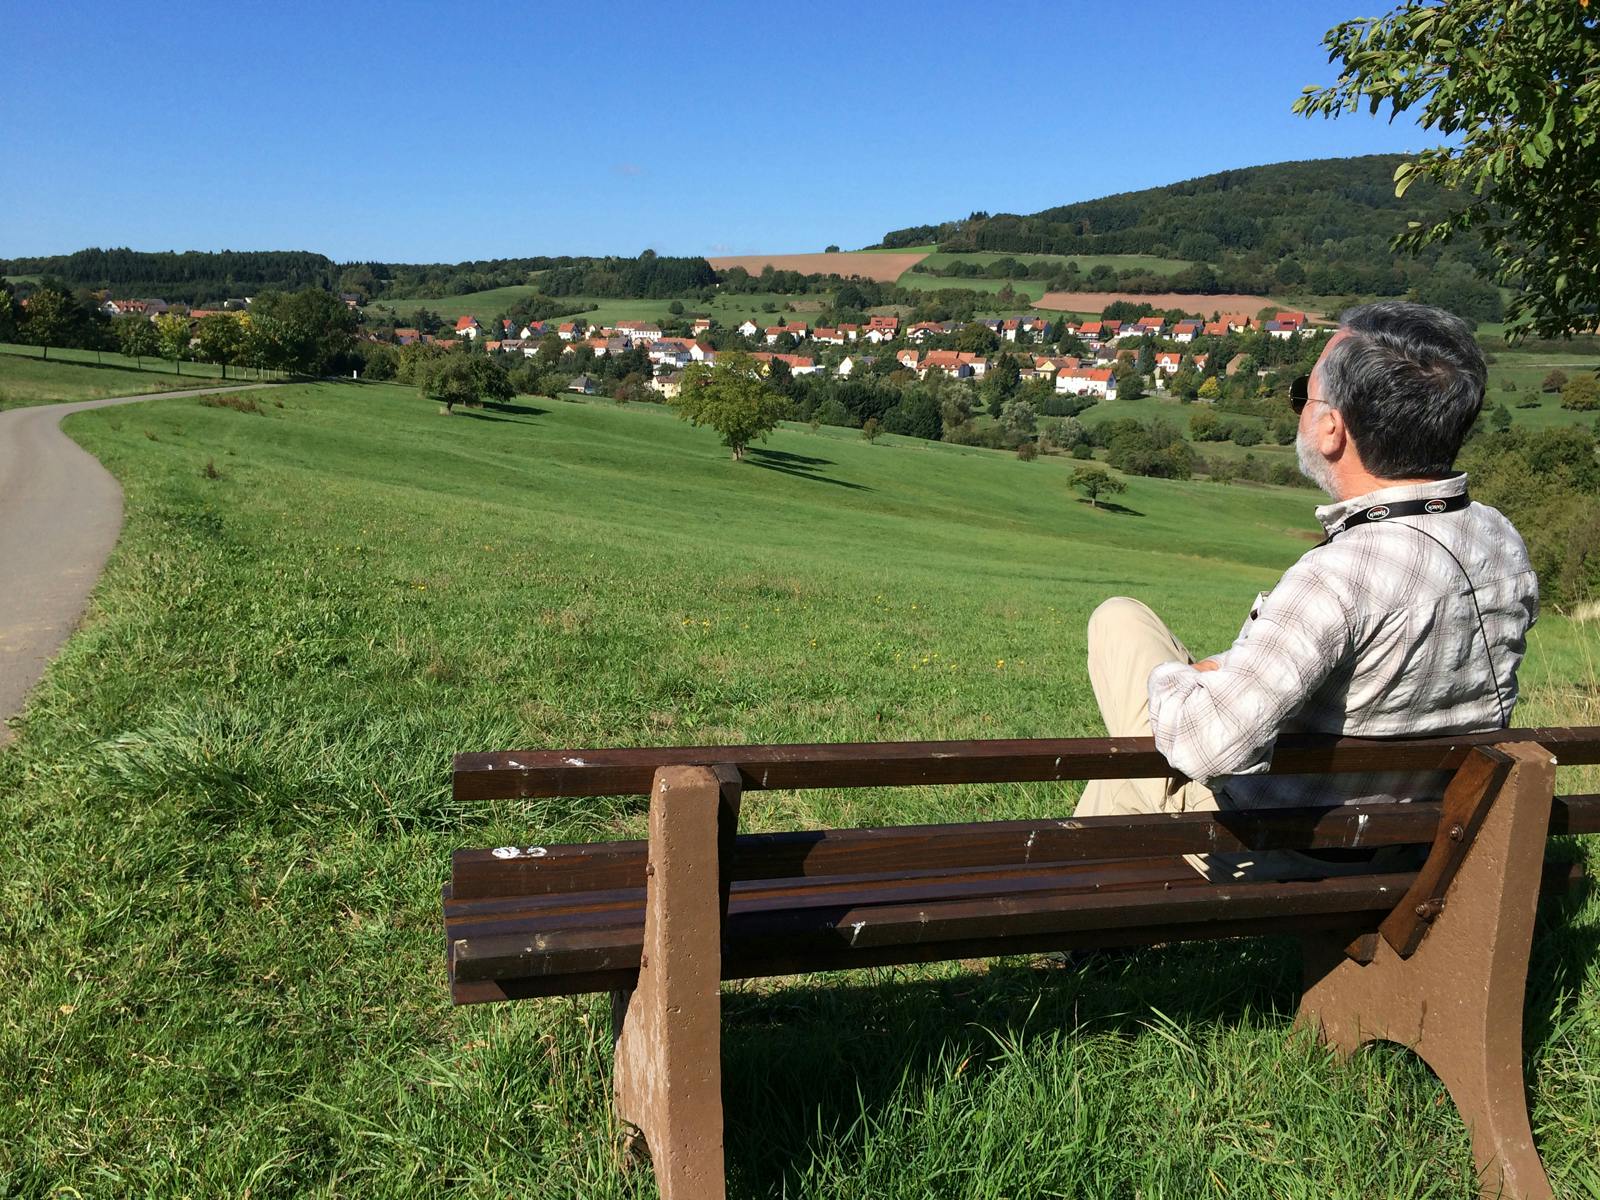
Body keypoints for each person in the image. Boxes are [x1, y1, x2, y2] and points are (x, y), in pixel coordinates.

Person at [1073, 301, 1539, 878]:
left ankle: (1067, 908)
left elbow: (1208, 747)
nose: (1299, 409)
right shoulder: (1500, 540)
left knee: (1120, 625)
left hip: (1286, 844)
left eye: (1304, 395)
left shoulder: (1342, 574)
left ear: (1331, 428)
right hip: (1418, 838)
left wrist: (1187, 678)